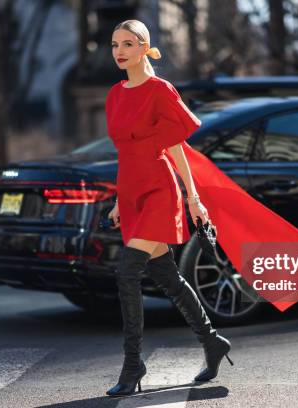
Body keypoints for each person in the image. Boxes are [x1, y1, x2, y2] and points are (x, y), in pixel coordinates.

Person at [104, 20, 234, 397]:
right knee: (167, 277)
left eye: (128, 43)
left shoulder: (160, 90)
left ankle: (133, 365)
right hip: (130, 192)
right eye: (114, 44)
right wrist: (117, 199)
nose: (119, 51)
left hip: (160, 190)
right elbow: (123, 152)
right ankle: (212, 342)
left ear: (145, 47)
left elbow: (176, 147)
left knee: (127, 269)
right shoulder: (114, 94)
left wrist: (193, 198)